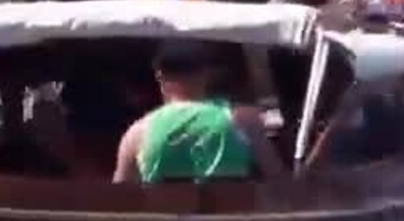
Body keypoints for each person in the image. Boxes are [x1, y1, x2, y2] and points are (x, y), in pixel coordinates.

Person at [113, 41, 285, 184]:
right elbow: (279, 181)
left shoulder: (137, 133)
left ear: (159, 76)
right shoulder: (243, 119)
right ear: (205, 74)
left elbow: (121, 197)